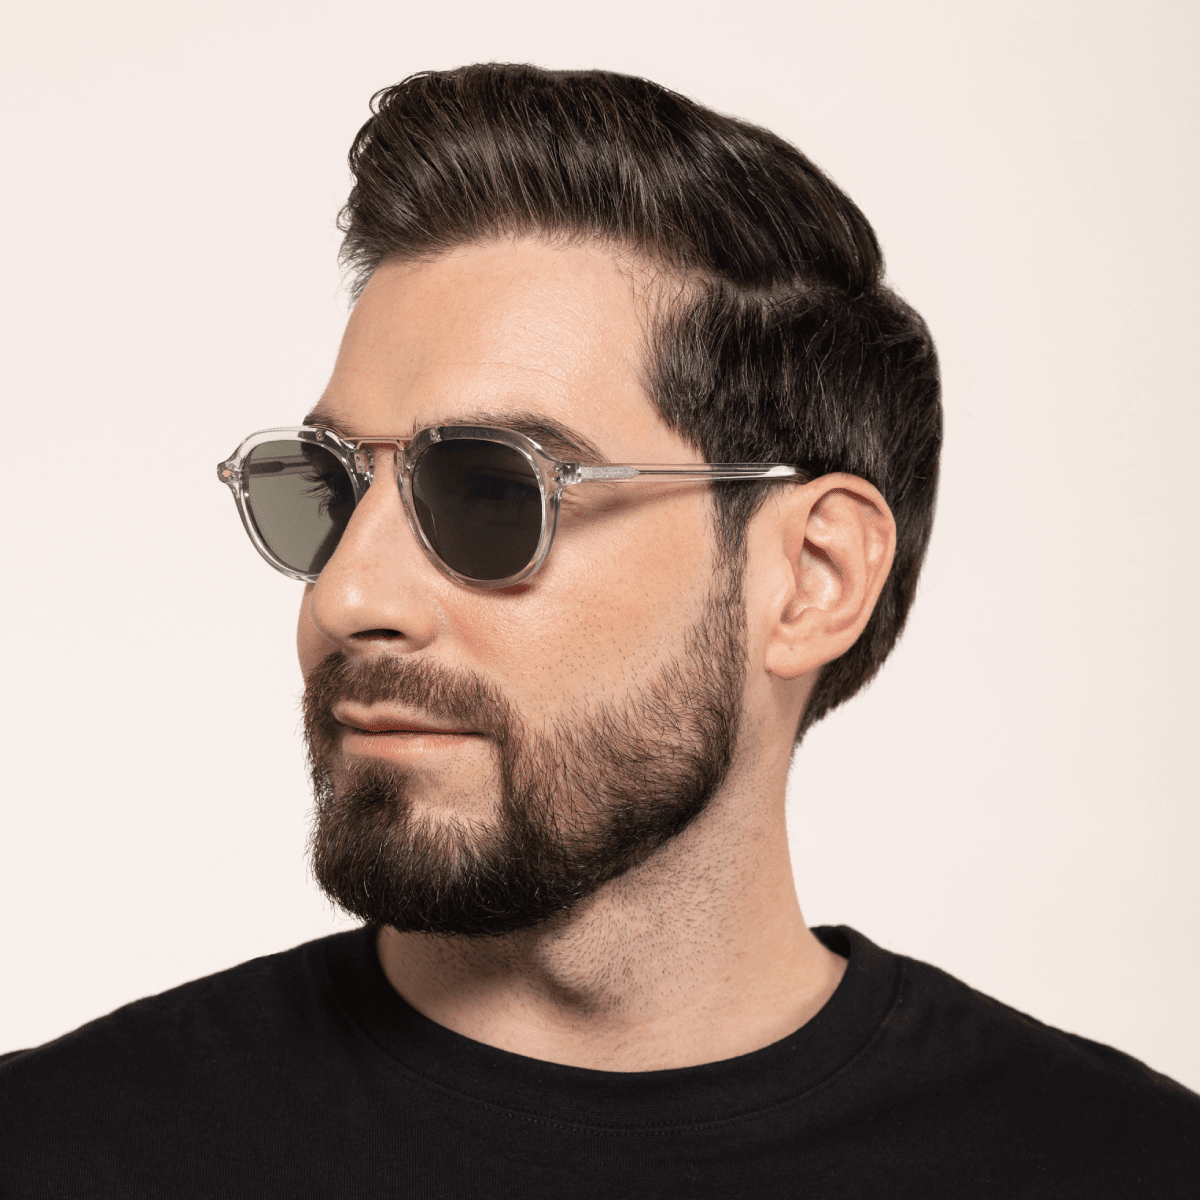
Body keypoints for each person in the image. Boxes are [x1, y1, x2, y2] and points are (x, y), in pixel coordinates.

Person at [1, 63, 1196, 1198]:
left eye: (491, 490)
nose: (346, 598)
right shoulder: (54, 1149)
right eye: (325, 489)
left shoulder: (1128, 1169)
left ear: (812, 578)